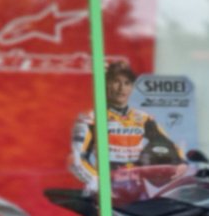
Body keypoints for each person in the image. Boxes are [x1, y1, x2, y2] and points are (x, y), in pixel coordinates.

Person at [69, 62, 182, 197]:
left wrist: (181, 163)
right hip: (107, 190)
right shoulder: (90, 118)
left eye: (127, 83)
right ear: (106, 84)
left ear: (132, 87)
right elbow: (76, 161)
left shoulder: (143, 118)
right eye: (116, 82)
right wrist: (98, 184)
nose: (121, 88)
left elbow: (169, 145)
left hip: (138, 190)